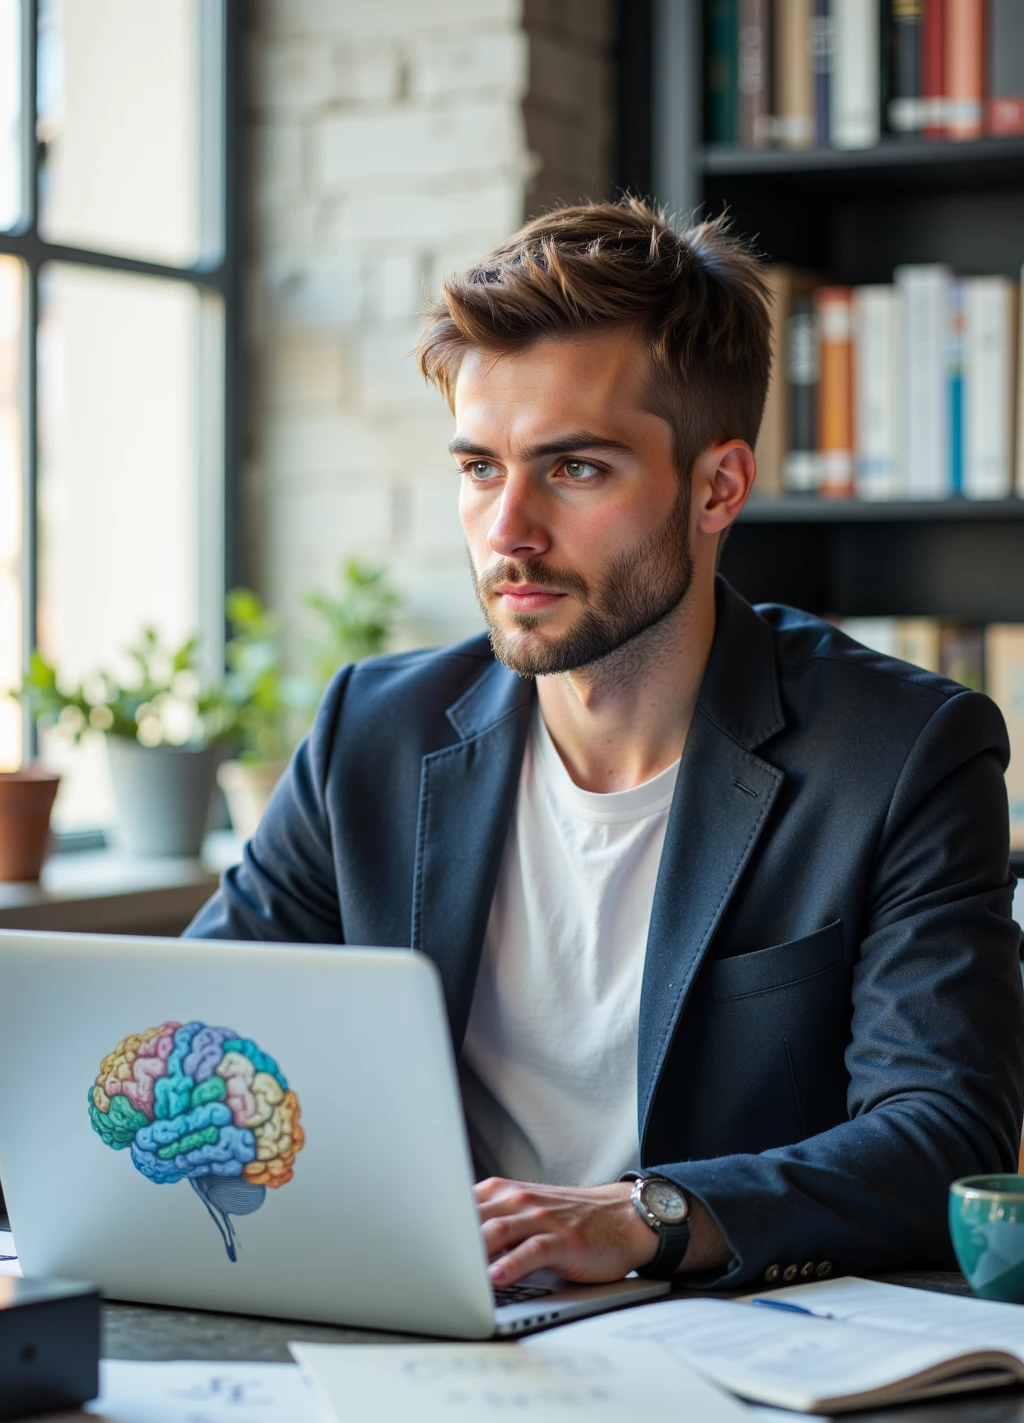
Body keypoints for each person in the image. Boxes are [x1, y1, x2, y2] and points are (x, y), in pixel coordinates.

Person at [188, 199, 1024, 1294]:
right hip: (437, 1327)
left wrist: (646, 1217)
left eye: (573, 469)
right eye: (480, 467)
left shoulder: (903, 751)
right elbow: (187, 1035)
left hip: (746, 1360)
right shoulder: (371, 734)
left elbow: (945, 1134)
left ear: (716, 486)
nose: (507, 531)